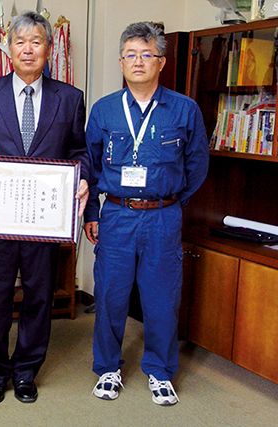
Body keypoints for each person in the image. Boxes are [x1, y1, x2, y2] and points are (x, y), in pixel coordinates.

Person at [0, 11, 90, 405]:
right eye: (20, 41)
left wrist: (82, 177)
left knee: (38, 297)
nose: (28, 49)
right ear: (7, 48)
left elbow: (78, 149)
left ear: (49, 48)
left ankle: (27, 371)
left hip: (42, 220)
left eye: (36, 41)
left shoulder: (70, 98)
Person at [84, 21, 209, 406]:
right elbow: (88, 167)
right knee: (109, 295)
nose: (138, 61)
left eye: (147, 54)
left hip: (162, 218)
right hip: (117, 216)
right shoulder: (104, 109)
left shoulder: (184, 109)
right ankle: (107, 368)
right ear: (121, 61)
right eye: (130, 55)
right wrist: (92, 212)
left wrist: (169, 202)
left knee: (161, 298)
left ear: (161, 62)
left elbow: (197, 164)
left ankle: (159, 370)